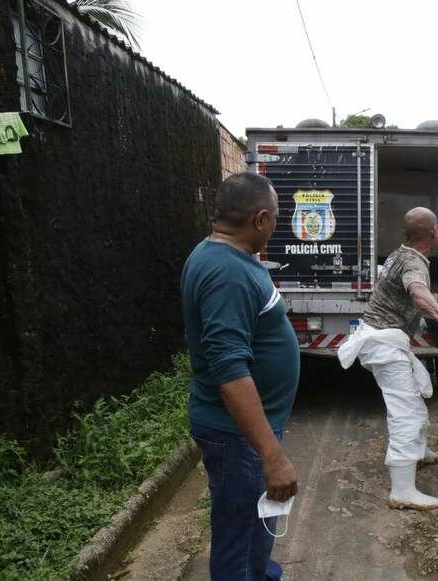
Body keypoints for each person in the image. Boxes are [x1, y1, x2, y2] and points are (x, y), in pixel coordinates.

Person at [181, 172, 299, 580]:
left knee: (253, 532)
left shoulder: (224, 256)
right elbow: (229, 371)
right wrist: (272, 454)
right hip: (238, 437)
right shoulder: (227, 274)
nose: (275, 227)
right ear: (261, 218)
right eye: (277, 219)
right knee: (240, 539)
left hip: (243, 433)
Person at [338, 207, 438, 511]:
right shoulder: (413, 262)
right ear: (434, 232)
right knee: (405, 411)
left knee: (417, 393)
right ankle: (402, 491)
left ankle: (419, 450)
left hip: (384, 339)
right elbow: (418, 293)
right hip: (384, 344)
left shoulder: (398, 254)